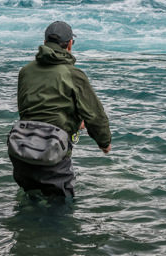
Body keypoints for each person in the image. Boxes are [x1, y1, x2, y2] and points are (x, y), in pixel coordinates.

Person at [8, 21, 111, 198]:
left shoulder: (25, 71)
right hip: (53, 153)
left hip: (21, 152)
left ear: (45, 41)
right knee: (60, 211)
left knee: (30, 201)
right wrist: (104, 143)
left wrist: (72, 122)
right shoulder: (74, 74)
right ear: (70, 44)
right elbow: (95, 115)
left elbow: (27, 110)